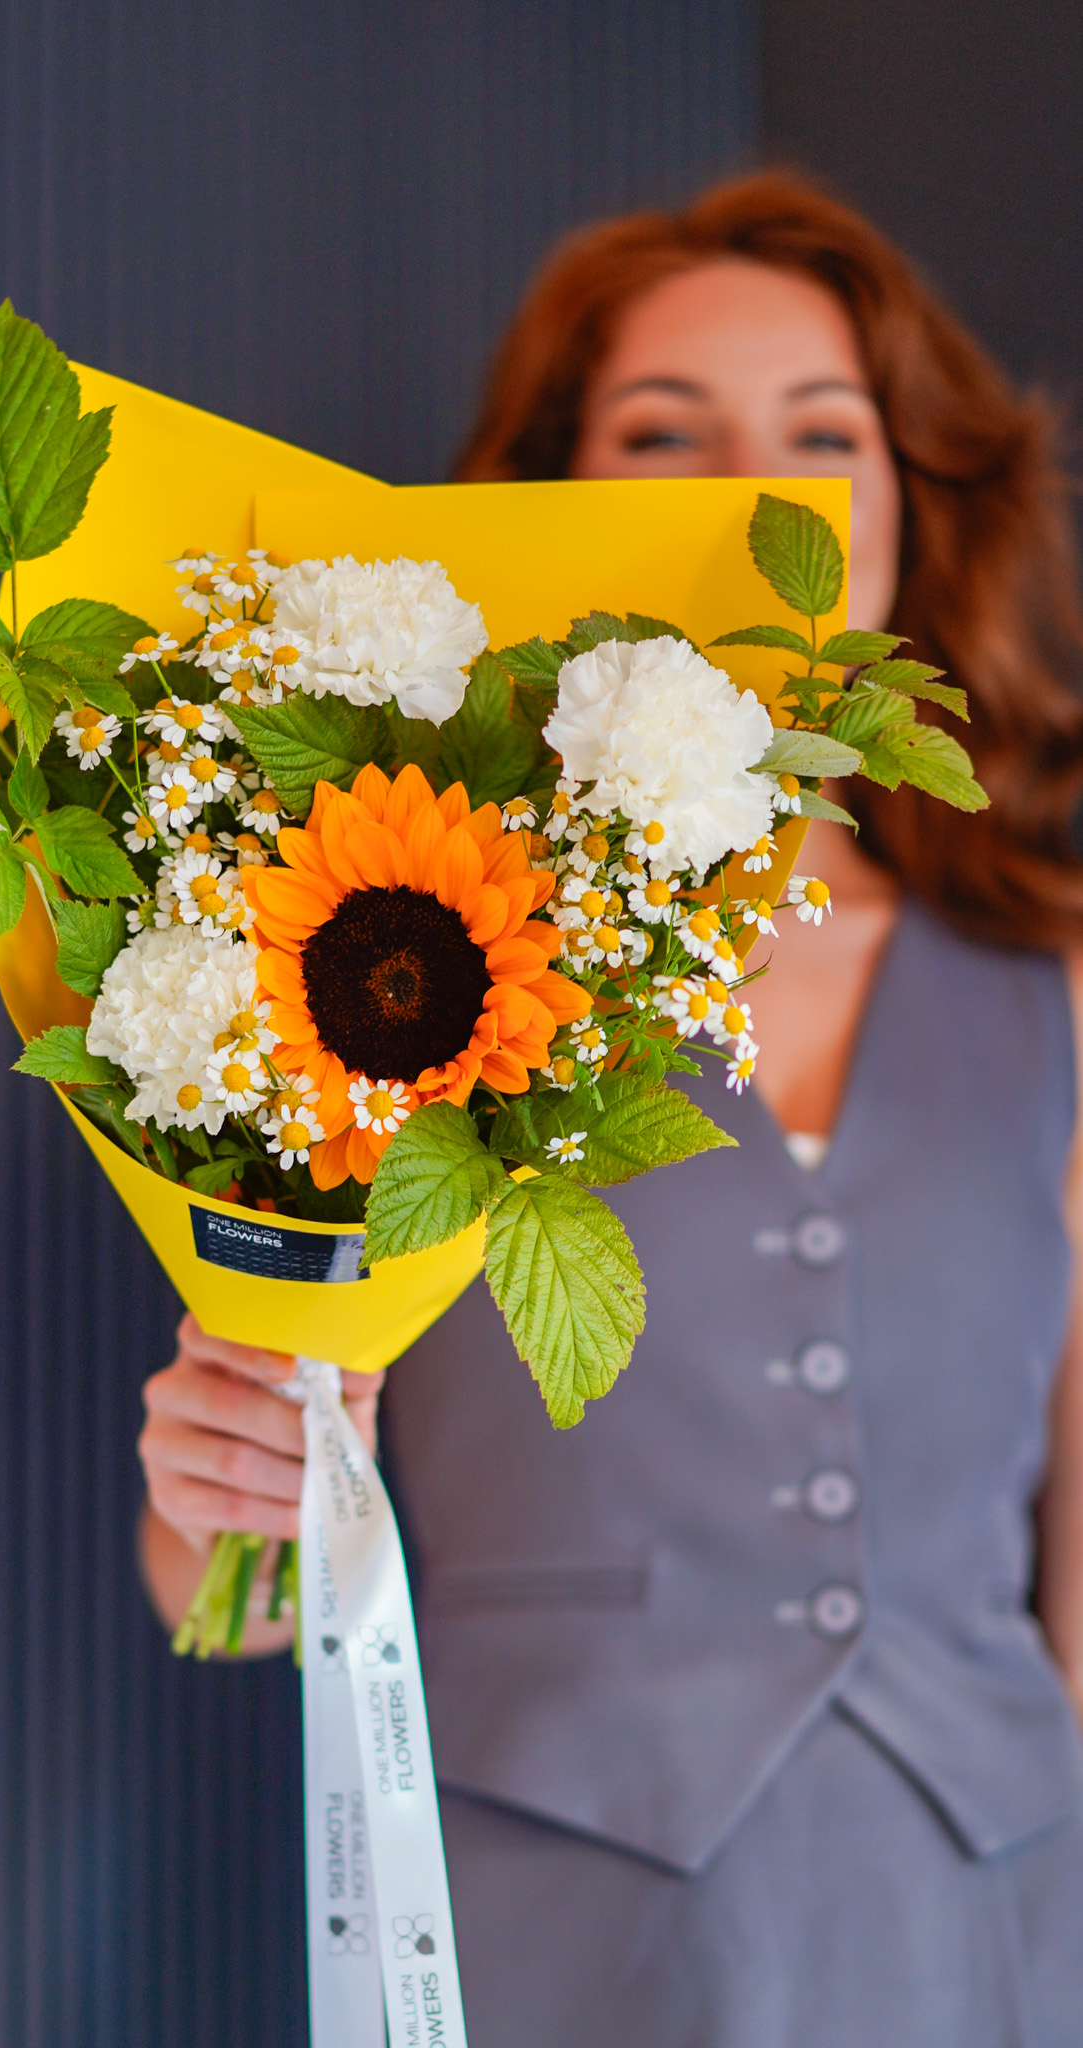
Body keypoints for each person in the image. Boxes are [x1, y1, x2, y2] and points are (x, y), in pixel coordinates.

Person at [135, 173, 1083, 2044]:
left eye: (824, 435)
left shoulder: (1053, 981)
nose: (756, 494)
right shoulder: (399, 954)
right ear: (547, 491)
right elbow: (227, 1598)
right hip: (547, 1943)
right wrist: (222, 1484)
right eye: (666, 434)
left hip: (992, 1938)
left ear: (908, 499)